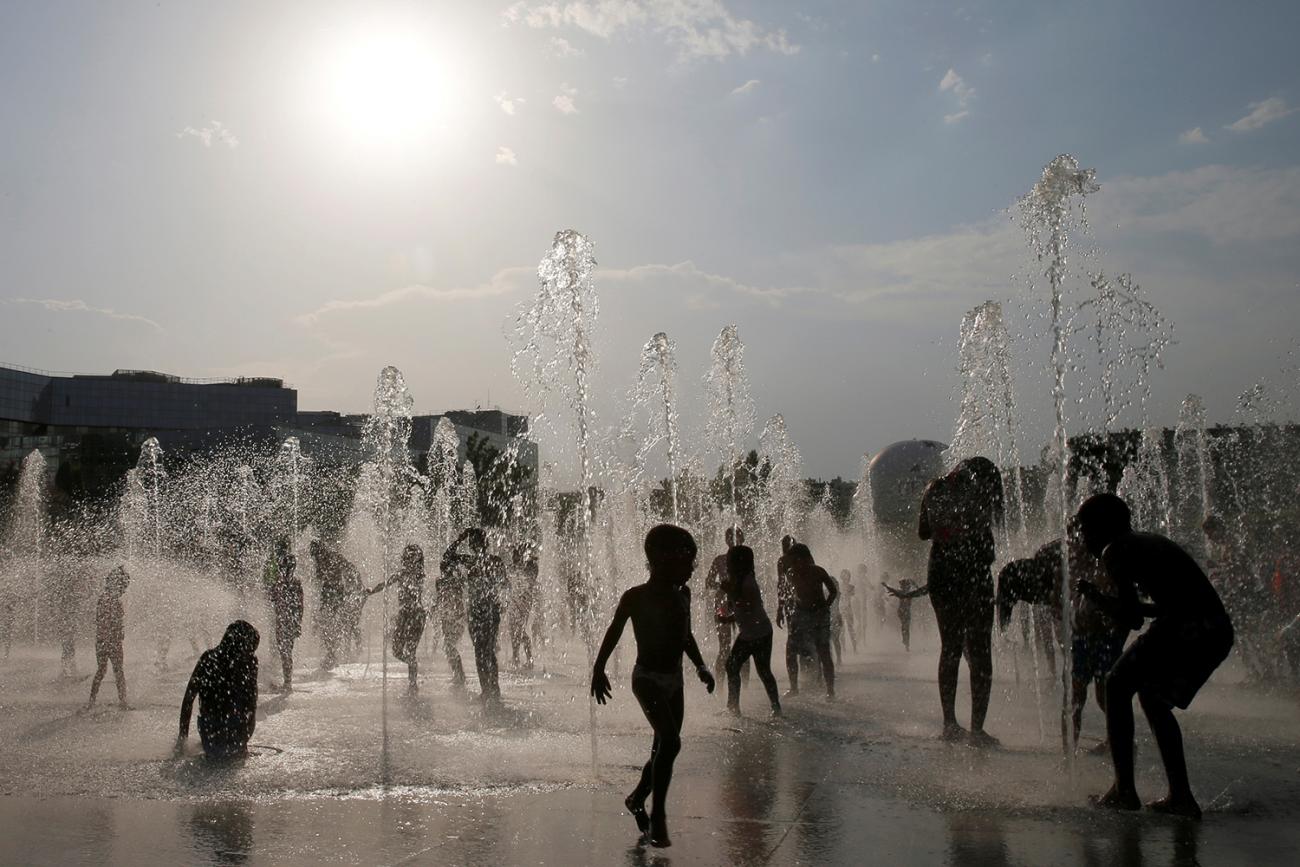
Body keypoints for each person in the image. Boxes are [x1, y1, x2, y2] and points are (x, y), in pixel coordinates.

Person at [1076, 493, 1234, 820]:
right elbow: (1162, 608)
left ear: (1102, 527)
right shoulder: (1143, 543)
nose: (1082, 537)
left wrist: (1098, 600)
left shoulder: (1115, 550)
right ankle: (1181, 797)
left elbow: (1132, 618)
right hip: (1212, 628)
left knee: (1117, 684)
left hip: (1190, 626)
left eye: (1085, 528)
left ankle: (1124, 791)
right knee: (1152, 698)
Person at [591, 524, 715, 848]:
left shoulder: (683, 595)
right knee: (671, 742)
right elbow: (614, 630)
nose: (692, 568)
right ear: (661, 559)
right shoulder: (636, 597)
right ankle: (658, 816)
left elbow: (685, 636)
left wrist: (700, 666)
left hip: (675, 680)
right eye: (687, 561)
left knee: (663, 747)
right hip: (646, 678)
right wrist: (599, 667)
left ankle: (637, 798)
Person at [995, 521, 1126, 753]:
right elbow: (1059, 608)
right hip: (1090, 633)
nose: (1036, 602)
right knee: (1081, 696)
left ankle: (1114, 744)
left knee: (1096, 695)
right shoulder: (1051, 559)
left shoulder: (1088, 555)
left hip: (1105, 630)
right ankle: (1071, 756)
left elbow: (1107, 594)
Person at [898, 456, 1003, 745]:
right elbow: (993, 525)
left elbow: (923, 533)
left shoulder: (934, 489)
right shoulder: (982, 490)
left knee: (951, 648)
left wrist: (947, 527)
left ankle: (949, 724)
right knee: (980, 650)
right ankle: (978, 730)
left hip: (942, 570)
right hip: (975, 571)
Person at [177, 621, 260, 760]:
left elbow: (188, 700)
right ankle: (239, 745)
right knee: (248, 700)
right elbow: (251, 703)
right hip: (238, 738)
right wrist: (243, 736)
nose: (251, 653)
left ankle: (222, 739)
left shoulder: (208, 658)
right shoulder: (250, 662)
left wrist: (182, 741)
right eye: (251, 648)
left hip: (209, 738)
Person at [721, 544, 781, 716]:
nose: (727, 563)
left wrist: (730, 593)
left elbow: (747, 605)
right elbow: (745, 610)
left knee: (758, 670)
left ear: (737, 563)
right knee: (735, 667)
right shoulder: (741, 580)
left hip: (758, 633)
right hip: (753, 632)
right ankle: (734, 707)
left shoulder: (747, 582)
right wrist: (728, 618)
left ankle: (774, 707)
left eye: (729, 560)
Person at [777, 543, 838, 699]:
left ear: (802, 559)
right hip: (801, 613)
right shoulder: (791, 573)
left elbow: (833, 590)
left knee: (823, 651)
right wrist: (782, 609)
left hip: (819, 614)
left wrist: (825, 605)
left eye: (793, 560)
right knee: (790, 650)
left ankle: (830, 691)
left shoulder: (818, 571)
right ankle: (794, 688)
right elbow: (785, 592)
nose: (791, 563)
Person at [368, 544, 428, 694]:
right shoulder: (401, 574)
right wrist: (371, 591)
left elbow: (414, 588)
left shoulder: (419, 574)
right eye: (406, 557)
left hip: (416, 614)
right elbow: (385, 584)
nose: (407, 560)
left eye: (411, 557)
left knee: (411, 651)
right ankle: (413, 668)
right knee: (396, 650)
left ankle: (413, 684)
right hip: (404, 615)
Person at [458, 530, 508, 704]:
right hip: (485, 610)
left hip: (483, 611)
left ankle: (488, 690)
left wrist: (460, 538)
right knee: (487, 651)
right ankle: (492, 689)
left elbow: (448, 556)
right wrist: (502, 602)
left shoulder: (472, 561)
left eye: (473, 542)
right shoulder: (493, 561)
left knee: (481, 652)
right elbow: (506, 584)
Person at [705, 527, 748, 691]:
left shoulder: (746, 558)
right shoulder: (719, 560)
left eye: (737, 537)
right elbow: (708, 582)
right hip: (723, 602)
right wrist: (724, 586)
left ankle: (745, 688)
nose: (734, 541)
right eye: (730, 537)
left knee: (745, 643)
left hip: (741, 602)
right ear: (726, 540)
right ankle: (720, 687)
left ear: (742, 539)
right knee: (724, 646)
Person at [87, 566, 130, 709]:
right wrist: (115, 636)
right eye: (124, 585)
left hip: (103, 640)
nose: (124, 589)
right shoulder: (110, 600)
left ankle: (92, 701)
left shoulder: (105, 598)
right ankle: (122, 702)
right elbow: (107, 621)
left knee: (102, 670)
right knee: (117, 671)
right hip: (110, 641)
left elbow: (101, 621)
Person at [264, 539, 302, 692]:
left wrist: (297, 623)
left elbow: (299, 605)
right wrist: (298, 623)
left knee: (285, 651)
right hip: (284, 621)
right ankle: (287, 682)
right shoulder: (290, 583)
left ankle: (287, 683)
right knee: (284, 651)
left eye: (287, 568)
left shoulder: (281, 583)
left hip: (285, 622)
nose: (285, 571)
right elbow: (299, 606)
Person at [439, 530, 473, 687]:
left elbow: (448, 554)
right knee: (448, 646)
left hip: (457, 616)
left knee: (449, 646)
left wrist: (460, 540)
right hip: (447, 616)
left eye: (445, 567)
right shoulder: (442, 581)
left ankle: (461, 675)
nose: (443, 569)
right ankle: (458, 675)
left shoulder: (456, 580)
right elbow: (441, 599)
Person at [310, 541, 348, 670]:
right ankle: (331, 654)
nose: (315, 558)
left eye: (315, 554)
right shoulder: (328, 558)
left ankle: (332, 655)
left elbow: (347, 567)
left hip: (334, 592)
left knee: (330, 624)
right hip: (330, 592)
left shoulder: (331, 557)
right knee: (327, 624)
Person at [507, 543, 538, 669]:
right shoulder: (515, 567)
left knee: (519, 629)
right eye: (513, 556)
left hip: (524, 600)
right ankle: (516, 657)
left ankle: (528, 659)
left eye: (516, 556)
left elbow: (532, 577)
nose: (513, 558)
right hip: (514, 600)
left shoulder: (530, 567)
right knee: (512, 628)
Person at [885, 577, 919, 651]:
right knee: (905, 627)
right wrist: (886, 586)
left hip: (903, 611)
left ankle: (906, 642)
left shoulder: (905, 592)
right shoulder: (904, 592)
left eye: (907, 585)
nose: (907, 586)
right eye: (906, 585)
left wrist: (886, 586)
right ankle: (906, 642)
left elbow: (917, 589)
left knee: (905, 627)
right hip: (902, 611)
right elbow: (917, 589)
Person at [837, 569, 859, 655]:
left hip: (847, 609)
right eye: (844, 575)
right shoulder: (840, 586)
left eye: (847, 575)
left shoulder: (851, 587)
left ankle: (854, 648)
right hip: (842, 609)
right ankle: (844, 649)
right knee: (842, 630)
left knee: (850, 629)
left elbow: (852, 596)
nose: (845, 577)